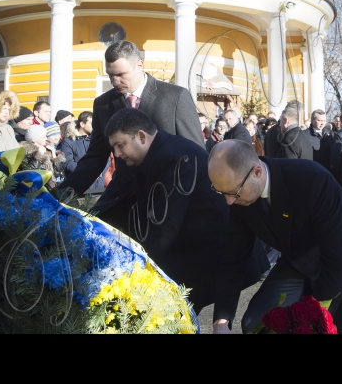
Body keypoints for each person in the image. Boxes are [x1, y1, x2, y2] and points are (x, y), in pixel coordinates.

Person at [208, 141, 342, 334]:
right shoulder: (240, 198)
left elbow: (338, 263)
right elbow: (233, 259)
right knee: (256, 323)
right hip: (299, 260)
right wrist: (221, 322)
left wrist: (311, 319)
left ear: (257, 172)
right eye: (221, 192)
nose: (229, 202)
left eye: (233, 193)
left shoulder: (312, 180)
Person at [105, 109, 267, 311]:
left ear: (141, 136)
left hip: (217, 253)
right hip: (197, 250)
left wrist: (133, 270)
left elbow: (164, 228)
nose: (117, 154)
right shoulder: (154, 153)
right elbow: (115, 194)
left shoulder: (171, 157)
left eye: (120, 145)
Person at [60, 41, 204, 224]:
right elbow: (95, 158)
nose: (114, 82)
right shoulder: (103, 104)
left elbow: (196, 154)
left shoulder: (175, 97)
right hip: (121, 201)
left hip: (168, 202)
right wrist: (59, 195)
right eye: (110, 75)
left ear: (140, 65)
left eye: (120, 74)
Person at [60, 112, 105, 191]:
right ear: (82, 124)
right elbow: (68, 163)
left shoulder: (97, 140)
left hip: (98, 188)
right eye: (91, 124)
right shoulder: (68, 142)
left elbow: (105, 158)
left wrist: (98, 171)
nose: (94, 126)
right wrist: (89, 172)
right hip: (78, 189)